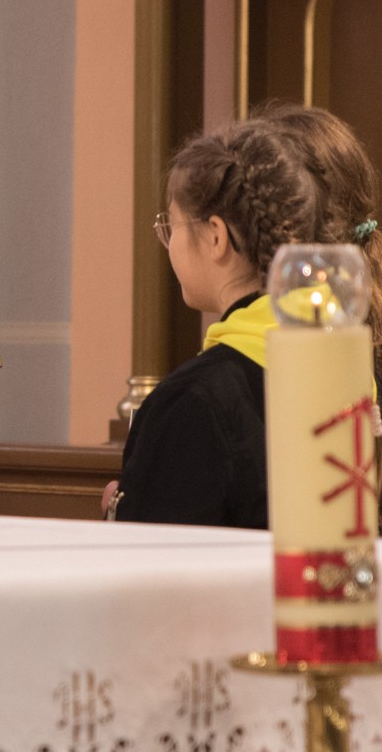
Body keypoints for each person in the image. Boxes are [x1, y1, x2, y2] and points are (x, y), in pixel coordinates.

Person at [110, 107, 382, 528]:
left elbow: (152, 558)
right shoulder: (348, 367)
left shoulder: (191, 400)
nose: (168, 242)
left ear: (216, 236)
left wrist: (117, 512)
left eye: (172, 225)